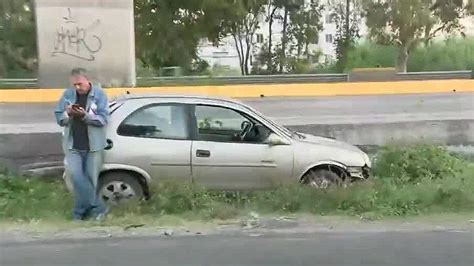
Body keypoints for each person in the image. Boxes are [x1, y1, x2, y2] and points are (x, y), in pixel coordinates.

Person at [54, 68, 109, 221]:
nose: (77, 88)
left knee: (90, 180)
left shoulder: (99, 95)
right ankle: (99, 208)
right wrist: (68, 114)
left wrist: (85, 116)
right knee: (77, 177)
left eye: (80, 84)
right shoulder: (68, 95)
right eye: (74, 85)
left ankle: (80, 214)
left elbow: (103, 119)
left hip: (94, 146)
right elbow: (59, 118)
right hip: (73, 145)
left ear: (87, 80)